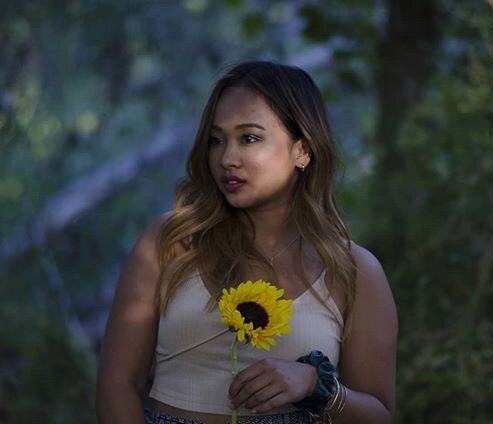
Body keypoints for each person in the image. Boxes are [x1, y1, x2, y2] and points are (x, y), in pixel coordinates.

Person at [97, 61, 397, 424]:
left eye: (249, 138)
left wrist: (318, 385)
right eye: (216, 140)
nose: (227, 159)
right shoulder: (171, 242)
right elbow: (117, 384)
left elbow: (379, 415)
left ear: (302, 150)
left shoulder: (353, 271)